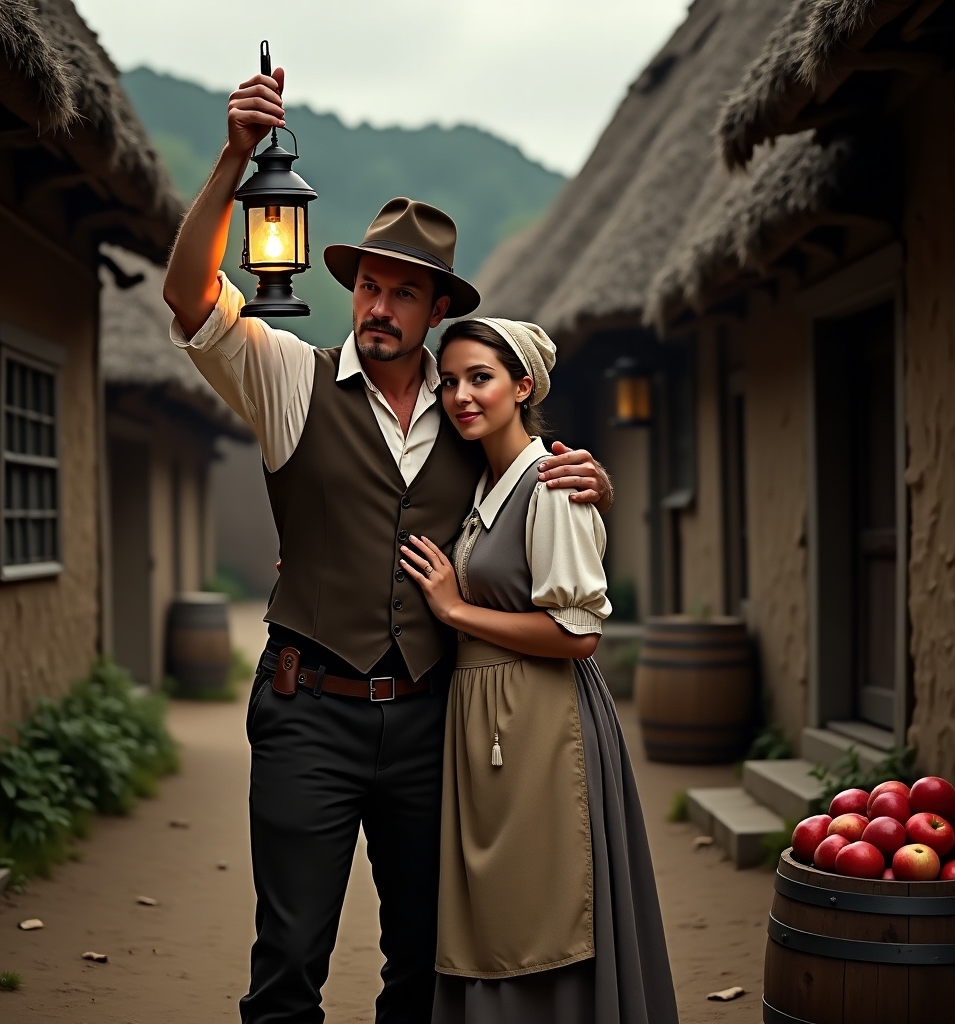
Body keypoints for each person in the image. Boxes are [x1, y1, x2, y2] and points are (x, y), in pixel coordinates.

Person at [162, 68, 613, 1024]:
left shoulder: (469, 418)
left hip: (428, 719)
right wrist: (235, 157)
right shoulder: (291, 379)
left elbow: (538, 474)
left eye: (403, 294)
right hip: (307, 709)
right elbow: (189, 296)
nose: (379, 307)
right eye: (369, 285)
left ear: (432, 311)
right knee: (288, 957)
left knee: (422, 958)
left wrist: (592, 480)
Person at [399, 317, 679, 1024]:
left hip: (542, 720)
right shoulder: (476, 482)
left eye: (481, 378)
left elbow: (577, 633)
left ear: (523, 386)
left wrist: (456, 612)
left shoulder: (553, 482)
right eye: (452, 381)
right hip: (484, 716)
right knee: (494, 912)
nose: (462, 395)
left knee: (541, 908)